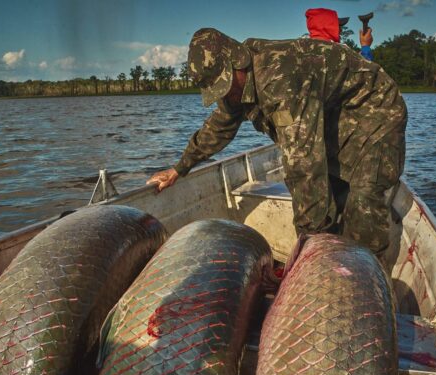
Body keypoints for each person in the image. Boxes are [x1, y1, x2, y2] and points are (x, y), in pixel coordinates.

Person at [147, 28, 407, 262]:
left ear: (238, 61)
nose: (225, 95)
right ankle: (335, 257)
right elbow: (217, 127)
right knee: (333, 197)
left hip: (376, 113)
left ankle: (368, 279)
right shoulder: (236, 87)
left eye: (225, 85)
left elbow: (304, 165)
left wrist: (307, 247)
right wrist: (180, 168)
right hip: (332, 119)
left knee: (362, 200)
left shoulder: (281, 77)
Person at [305, 8, 373, 61]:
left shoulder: (299, 49)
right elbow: (364, 72)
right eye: (336, 26)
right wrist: (365, 46)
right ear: (326, 27)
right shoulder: (341, 52)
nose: (340, 30)